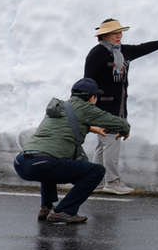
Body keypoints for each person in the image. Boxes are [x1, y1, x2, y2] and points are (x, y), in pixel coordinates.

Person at [83, 18, 158, 194]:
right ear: (104, 35)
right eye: (115, 33)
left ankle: (95, 182)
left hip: (118, 105)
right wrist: (89, 104)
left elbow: (141, 48)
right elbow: (87, 81)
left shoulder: (121, 51)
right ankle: (112, 182)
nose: (119, 36)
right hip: (103, 108)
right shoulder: (97, 53)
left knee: (103, 145)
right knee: (111, 142)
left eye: (120, 33)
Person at [13, 78, 131, 224]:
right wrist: (125, 130)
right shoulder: (86, 108)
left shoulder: (58, 107)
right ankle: (64, 211)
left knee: (49, 165)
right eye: (96, 96)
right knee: (96, 171)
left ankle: (46, 207)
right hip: (43, 162)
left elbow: (65, 125)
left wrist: (90, 128)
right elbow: (117, 122)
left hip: (22, 162)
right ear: (91, 97)